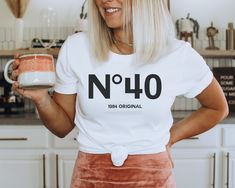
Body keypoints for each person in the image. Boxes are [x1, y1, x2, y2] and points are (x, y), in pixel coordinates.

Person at [12, 0, 228, 187]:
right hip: (90, 176)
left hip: (153, 176)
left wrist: (170, 138)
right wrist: (41, 98)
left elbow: (218, 107)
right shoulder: (76, 48)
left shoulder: (177, 54)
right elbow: (62, 127)